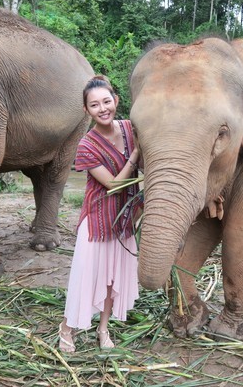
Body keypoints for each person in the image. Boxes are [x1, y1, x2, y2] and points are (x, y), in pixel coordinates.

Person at [58, 75, 143, 353]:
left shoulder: (131, 129)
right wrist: (135, 155)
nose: (103, 108)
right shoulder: (87, 146)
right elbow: (114, 184)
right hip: (97, 222)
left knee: (112, 281)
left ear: (116, 101)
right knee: (86, 279)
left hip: (124, 221)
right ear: (86, 110)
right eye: (94, 105)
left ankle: (103, 329)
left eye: (107, 101)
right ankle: (67, 328)